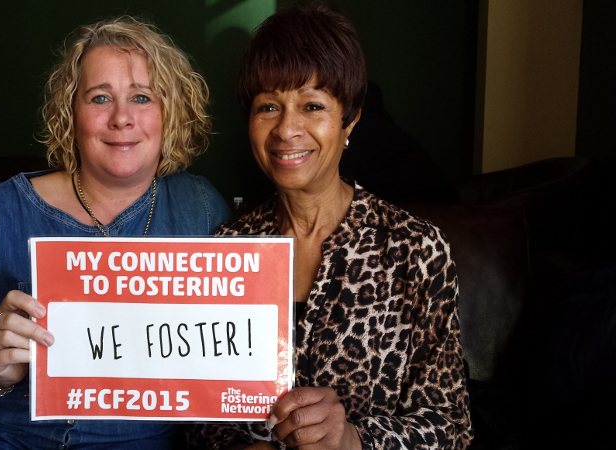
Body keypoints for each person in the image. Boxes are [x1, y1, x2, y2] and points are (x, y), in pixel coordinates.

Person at [0, 17, 230, 450]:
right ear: (69, 113)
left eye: (142, 97)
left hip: (135, 438)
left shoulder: (202, 208)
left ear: (170, 113)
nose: (122, 118)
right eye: (100, 98)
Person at [187, 4, 473, 449]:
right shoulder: (230, 247)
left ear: (349, 120)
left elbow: (450, 427)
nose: (286, 129)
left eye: (312, 105)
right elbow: (198, 412)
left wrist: (352, 440)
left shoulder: (414, 249)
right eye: (268, 106)